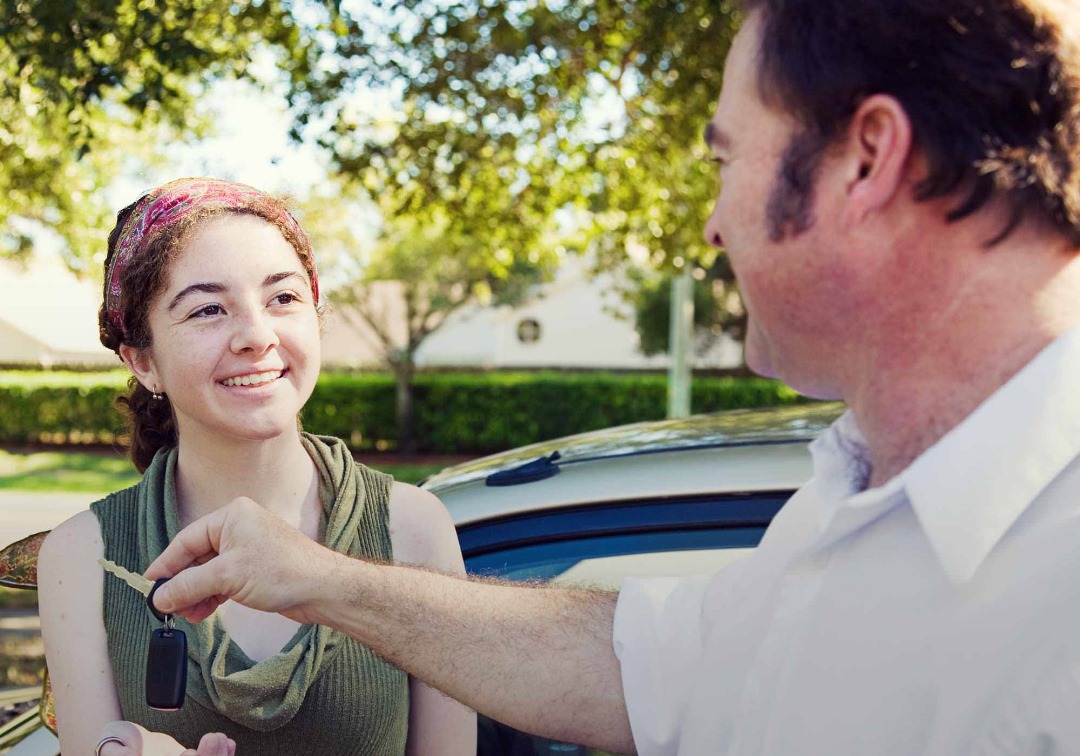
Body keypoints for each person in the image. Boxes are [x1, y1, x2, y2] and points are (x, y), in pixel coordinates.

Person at [145, 0, 1080, 753]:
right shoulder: (855, 502)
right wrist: (316, 580)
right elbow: (638, 671)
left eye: (725, 159)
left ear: (867, 159)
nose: (713, 225)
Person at [36, 178, 476, 756]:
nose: (256, 335)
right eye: (209, 309)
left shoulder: (413, 528)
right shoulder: (81, 556)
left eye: (283, 298)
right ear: (143, 361)